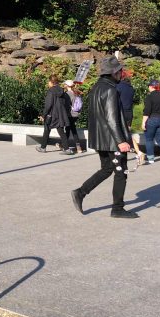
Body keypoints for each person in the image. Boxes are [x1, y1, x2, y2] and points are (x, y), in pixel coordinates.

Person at [70, 56, 138, 218]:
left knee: (107, 169)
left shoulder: (96, 88)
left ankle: (80, 192)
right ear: (114, 73)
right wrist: (121, 141)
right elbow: (111, 118)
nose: (122, 73)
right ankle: (117, 209)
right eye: (120, 71)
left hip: (101, 139)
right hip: (112, 140)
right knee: (121, 172)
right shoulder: (110, 90)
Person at [37, 75, 72, 154]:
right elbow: (66, 104)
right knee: (61, 132)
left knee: (47, 129)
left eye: (48, 82)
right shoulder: (62, 91)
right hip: (61, 115)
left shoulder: (51, 91)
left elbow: (48, 104)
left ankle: (43, 148)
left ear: (51, 82)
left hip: (52, 115)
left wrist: (43, 115)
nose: (48, 83)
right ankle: (67, 149)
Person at [63, 80, 84, 153]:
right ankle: (65, 145)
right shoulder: (76, 93)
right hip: (76, 114)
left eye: (65, 84)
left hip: (70, 115)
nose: (64, 85)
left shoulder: (66, 94)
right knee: (69, 129)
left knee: (72, 130)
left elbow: (66, 106)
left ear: (67, 85)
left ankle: (78, 147)